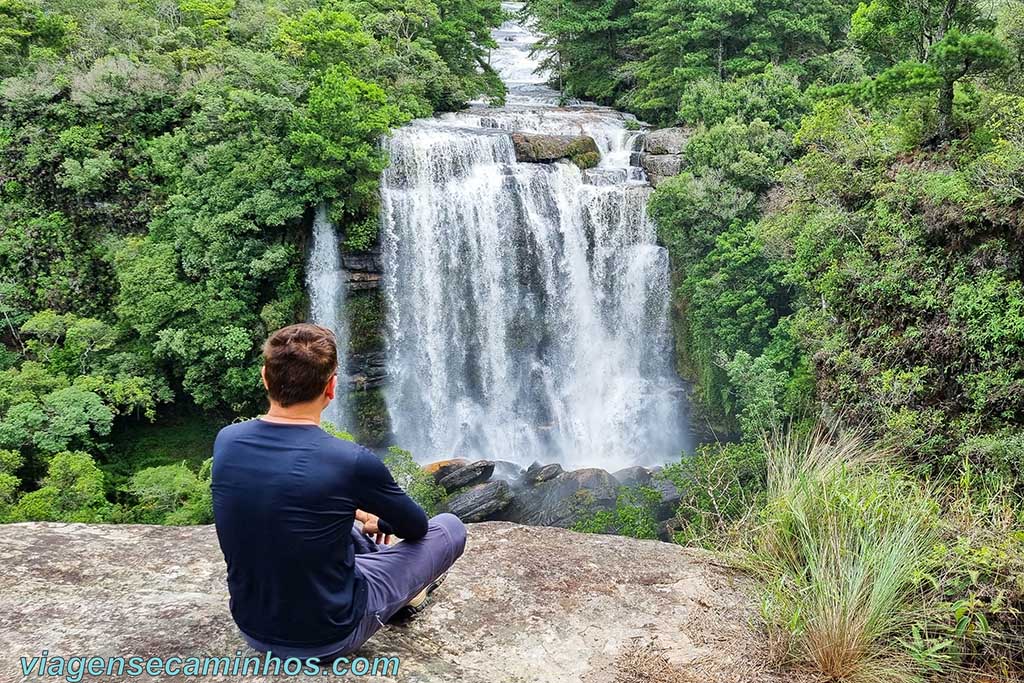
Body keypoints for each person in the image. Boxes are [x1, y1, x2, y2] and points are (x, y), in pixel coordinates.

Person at [211, 323, 467, 662]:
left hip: (253, 628)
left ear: (264, 378)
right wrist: (381, 522)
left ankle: (390, 584)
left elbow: (288, 498)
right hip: (332, 635)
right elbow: (416, 528)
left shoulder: (227, 441)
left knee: (327, 522)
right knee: (449, 528)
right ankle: (405, 597)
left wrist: (353, 512)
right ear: (331, 387)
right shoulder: (350, 460)